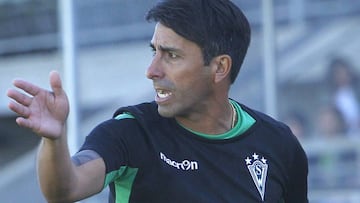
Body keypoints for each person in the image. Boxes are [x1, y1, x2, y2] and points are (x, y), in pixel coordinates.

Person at [7, 0, 308, 202]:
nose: (152, 71)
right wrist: (54, 140)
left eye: (171, 56)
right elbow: (64, 188)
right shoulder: (130, 132)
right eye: (154, 51)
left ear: (219, 67)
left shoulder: (278, 144)